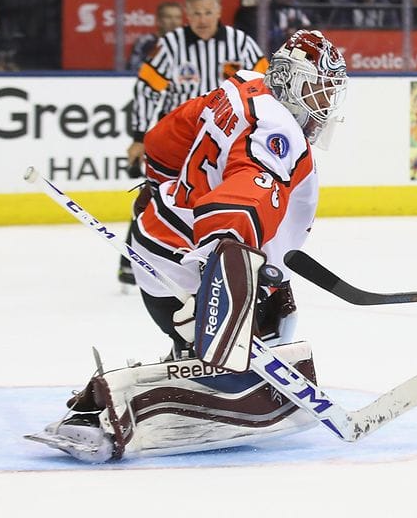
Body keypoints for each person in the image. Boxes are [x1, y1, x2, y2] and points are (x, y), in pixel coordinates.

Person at [33, 29, 349, 462]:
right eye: (319, 89)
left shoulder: (244, 88)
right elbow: (241, 202)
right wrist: (221, 277)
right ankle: (104, 412)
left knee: (278, 312)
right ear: (293, 81)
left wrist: (163, 185)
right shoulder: (281, 133)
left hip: (161, 237)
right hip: (184, 265)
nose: (326, 104)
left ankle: (189, 359)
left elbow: (166, 136)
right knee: (239, 364)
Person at [123, 0, 268, 286]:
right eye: (196, 13)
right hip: (177, 136)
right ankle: (133, 255)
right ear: (187, 13)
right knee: (157, 193)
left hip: (224, 136)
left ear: (218, 11)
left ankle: (207, 257)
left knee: (216, 195)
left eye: (208, 12)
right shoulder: (172, 45)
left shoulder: (241, 44)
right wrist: (138, 136)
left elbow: (263, 84)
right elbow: (146, 90)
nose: (202, 19)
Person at [128, 1, 183, 71]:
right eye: (169, 17)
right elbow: (133, 69)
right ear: (158, 21)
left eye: (178, 17)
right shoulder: (146, 42)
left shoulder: (186, 43)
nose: (174, 22)